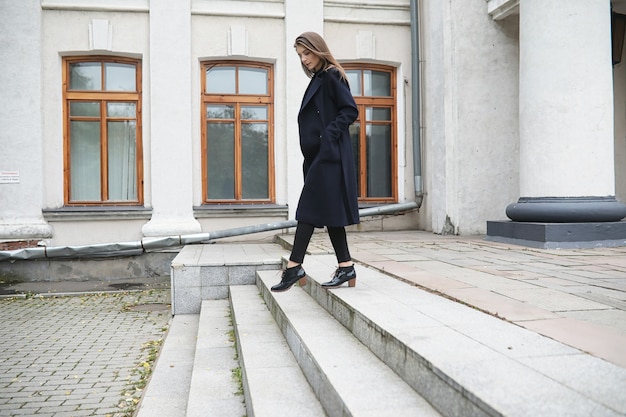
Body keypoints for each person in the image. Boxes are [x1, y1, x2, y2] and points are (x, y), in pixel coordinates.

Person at [271, 31, 360, 292]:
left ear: (318, 50)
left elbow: (350, 110)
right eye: (300, 55)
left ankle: (294, 266)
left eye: (307, 53)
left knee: (307, 210)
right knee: (330, 212)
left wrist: (327, 137)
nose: (304, 59)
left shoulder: (332, 75)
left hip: (328, 157)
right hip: (318, 157)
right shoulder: (320, 77)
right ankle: (346, 267)